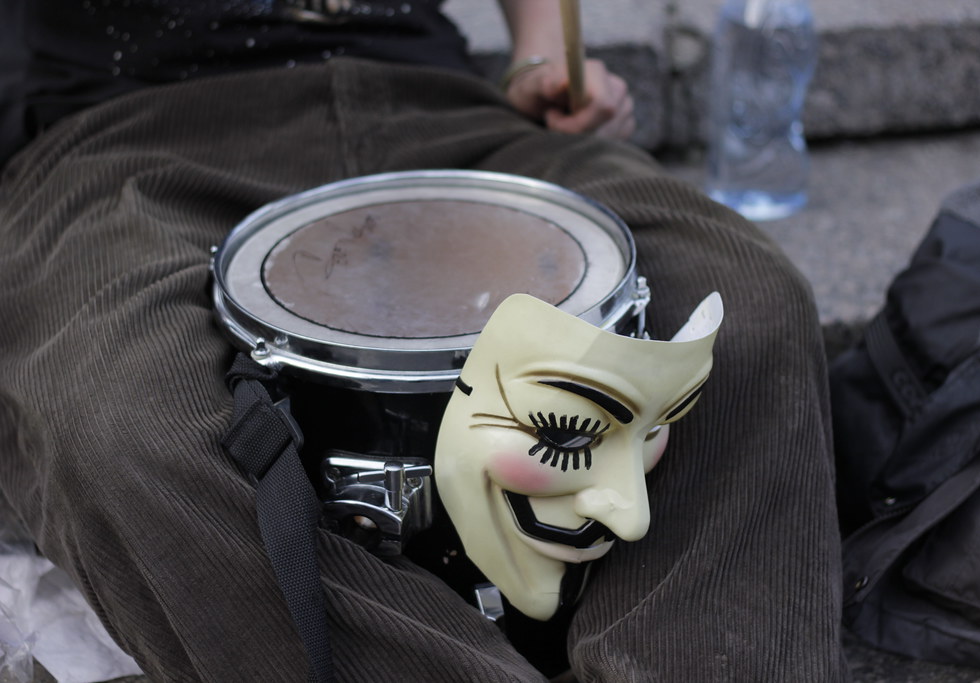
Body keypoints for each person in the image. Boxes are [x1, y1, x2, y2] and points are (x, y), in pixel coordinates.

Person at [0, 0, 849, 680]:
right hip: (125, 133)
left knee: (747, 306)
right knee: (121, 419)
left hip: (430, 101)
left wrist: (539, 56)